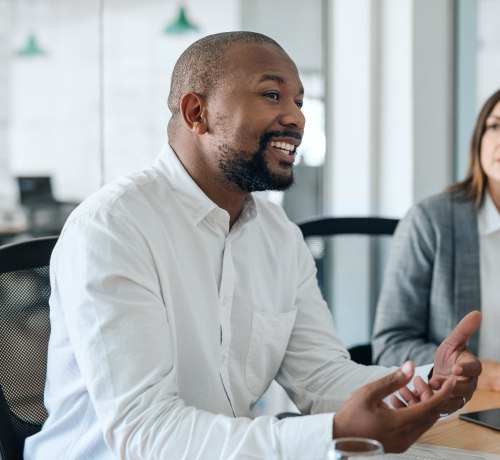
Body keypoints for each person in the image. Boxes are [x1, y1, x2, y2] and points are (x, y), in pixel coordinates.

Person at [24, 32, 481, 460]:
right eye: (272, 95)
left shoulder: (279, 236)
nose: (297, 117)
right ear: (196, 113)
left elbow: (321, 378)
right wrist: (332, 433)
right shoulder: (113, 227)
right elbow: (147, 435)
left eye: (300, 102)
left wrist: (427, 382)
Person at [372, 88, 500, 391]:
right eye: (495, 126)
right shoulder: (430, 221)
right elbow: (391, 345)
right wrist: (486, 374)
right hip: (460, 406)